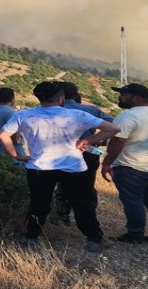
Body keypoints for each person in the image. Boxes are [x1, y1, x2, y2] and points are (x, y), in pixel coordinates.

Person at [0, 81, 121, 252]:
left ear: (39, 98)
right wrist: (88, 141)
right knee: (82, 203)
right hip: (73, 166)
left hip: (39, 167)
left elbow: (2, 135)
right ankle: (94, 238)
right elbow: (113, 128)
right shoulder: (77, 115)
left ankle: (32, 236)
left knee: (38, 203)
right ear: (61, 98)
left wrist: (16, 155)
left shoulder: (24, 115)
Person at [100, 83, 148, 246]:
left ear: (137, 98)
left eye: (124, 95)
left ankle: (135, 235)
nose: (120, 97)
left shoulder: (128, 115)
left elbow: (119, 141)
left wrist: (106, 163)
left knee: (133, 201)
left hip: (131, 167)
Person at [52, 81, 114, 225]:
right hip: (88, 152)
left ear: (59, 95)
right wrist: (96, 141)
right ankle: (89, 220)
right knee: (86, 187)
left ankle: (62, 218)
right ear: (76, 94)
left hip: (60, 153)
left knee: (63, 186)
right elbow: (115, 126)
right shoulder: (91, 110)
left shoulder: (53, 111)